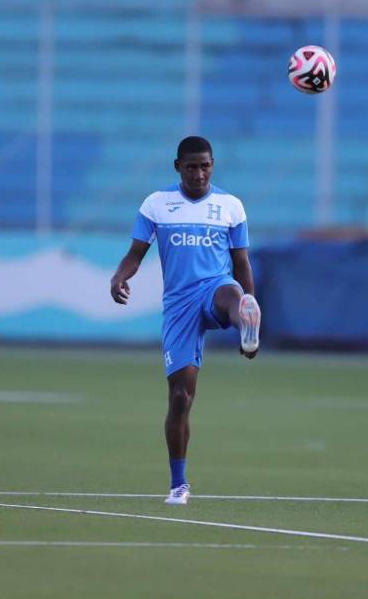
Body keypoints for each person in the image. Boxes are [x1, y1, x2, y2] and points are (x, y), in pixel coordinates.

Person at [110, 136, 260, 506]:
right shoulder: (157, 205)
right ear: (177, 167)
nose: (199, 173)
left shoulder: (230, 206)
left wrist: (250, 297)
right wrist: (119, 276)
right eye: (191, 166)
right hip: (179, 304)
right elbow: (135, 254)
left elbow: (241, 264)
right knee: (180, 398)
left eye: (205, 166)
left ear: (213, 165)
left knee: (231, 295)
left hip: (214, 286)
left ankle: (246, 321)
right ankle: (179, 484)